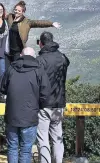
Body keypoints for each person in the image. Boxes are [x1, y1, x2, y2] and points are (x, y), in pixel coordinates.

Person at [0, 47, 50, 163]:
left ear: (21, 55)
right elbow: (45, 93)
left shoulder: (12, 68)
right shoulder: (39, 70)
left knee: (12, 147)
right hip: (30, 115)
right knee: (26, 149)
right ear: (33, 57)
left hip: (12, 115)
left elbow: (2, 88)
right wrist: (38, 106)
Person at [36, 32, 70, 163]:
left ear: (41, 43)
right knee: (57, 137)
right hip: (59, 102)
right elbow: (67, 63)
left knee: (43, 137)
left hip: (44, 103)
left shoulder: (40, 60)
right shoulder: (62, 57)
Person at [5, 0, 61, 70]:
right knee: (6, 71)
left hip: (18, 52)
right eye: (15, 10)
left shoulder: (27, 22)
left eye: (19, 11)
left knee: (16, 70)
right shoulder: (10, 17)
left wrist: (51, 24)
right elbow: (1, 14)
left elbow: (38, 23)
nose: (16, 12)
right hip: (7, 51)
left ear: (23, 12)